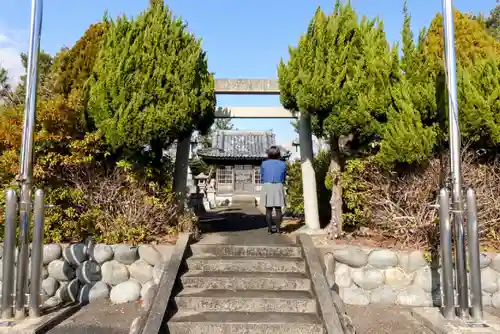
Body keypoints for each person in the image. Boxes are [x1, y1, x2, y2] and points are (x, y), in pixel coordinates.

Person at [260, 146, 287, 234]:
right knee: (278, 209)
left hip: (267, 185)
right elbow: (284, 176)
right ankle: (278, 229)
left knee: (268, 210)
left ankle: (269, 229)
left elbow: (262, 176)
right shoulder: (283, 164)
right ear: (278, 153)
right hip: (279, 185)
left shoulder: (264, 163)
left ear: (269, 153)